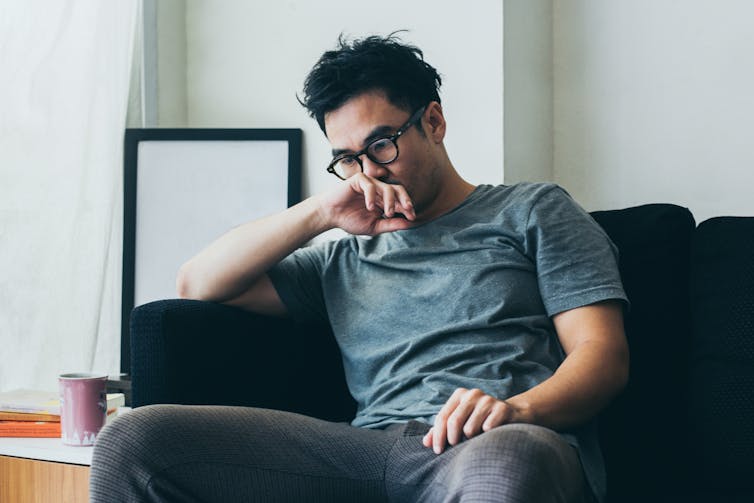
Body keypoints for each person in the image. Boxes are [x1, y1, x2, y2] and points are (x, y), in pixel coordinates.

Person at [91, 33, 629, 503]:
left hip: (495, 439)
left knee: (506, 459)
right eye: (348, 158)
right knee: (133, 441)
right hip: (366, 452)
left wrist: (516, 411)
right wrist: (321, 211)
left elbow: (600, 354)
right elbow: (196, 283)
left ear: (434, 122)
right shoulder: (344, 252)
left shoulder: (532, 211)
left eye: (381, 144)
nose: (368, 172)